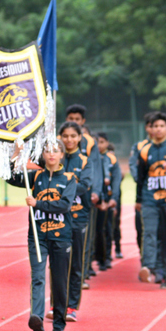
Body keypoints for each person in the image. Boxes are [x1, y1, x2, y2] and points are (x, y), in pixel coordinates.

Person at [8, 139, 77, 331]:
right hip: (38, 237)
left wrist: (37, 203)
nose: (51, 154)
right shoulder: (35, 176)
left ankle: (58, 327)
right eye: (47, 150)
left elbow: (64, 205)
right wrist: (16, 153)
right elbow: (11, 177)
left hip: (61, 237)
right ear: (43, 154)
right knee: (37, 277)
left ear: (62, 155)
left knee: (59, 282)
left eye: (56, 151)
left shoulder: (69, 178)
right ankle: (36, 316)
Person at [136, 111, 166, 290]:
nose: (158, 129)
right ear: (150, 129)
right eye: (155, 126)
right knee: (149, 232)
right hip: (149, 199)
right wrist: (138, 199)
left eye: (162, 126)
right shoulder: (144, 150)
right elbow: (140, 178)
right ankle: (149, 266)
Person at [65, 104, 104, 282]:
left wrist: (96, 191)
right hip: (62, 196)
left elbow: (96, 167)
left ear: (83, 122)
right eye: (71, 119)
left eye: (77, 120)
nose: (74, 122)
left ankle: (84, 270)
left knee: (84, 234)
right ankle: (65, 270)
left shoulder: (89, 142)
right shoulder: (59, 140)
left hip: (84, 194)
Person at [59, 121, 92, 319]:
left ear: (79, 138)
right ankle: (56, 306)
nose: (69, 140)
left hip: (79, 217)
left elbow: (86, 184)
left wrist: (63, 190)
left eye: (73, 136)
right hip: (56, 218)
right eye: (65, 136)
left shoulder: (85, 161)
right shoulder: (55, 158)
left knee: (76, 265)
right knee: (57, 265)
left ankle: (71, 306)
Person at [129, 112, 158, 255]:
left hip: (164, 193)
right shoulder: (139, 146)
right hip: (144, 191)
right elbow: (133, 165)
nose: (155, 129)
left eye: (158, 126)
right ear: (147, 128)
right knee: (141, 227)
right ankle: (145, 257)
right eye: (151, 126)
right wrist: (140, 179)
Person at [94, 131, 121, 270]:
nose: (99, 145)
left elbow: (116, 180)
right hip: (96, 200)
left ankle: (107, 257)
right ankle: (98, 257)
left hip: (109, 199)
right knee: (96, 230)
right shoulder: (92, 157)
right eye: (97, 142)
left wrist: (114, 198)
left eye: (102, 142)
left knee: (108, 229)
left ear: (107, 143)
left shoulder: (112, 159)